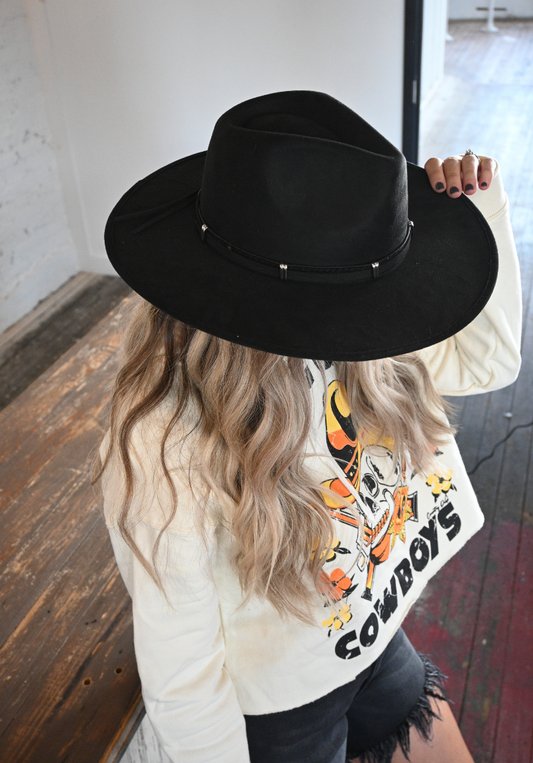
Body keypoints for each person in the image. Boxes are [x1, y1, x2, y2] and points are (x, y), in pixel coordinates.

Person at [95, 91, 522, 763]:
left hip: (368, 637)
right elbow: (181, 665)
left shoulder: (366, 334)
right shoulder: (165, 438)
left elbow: (488, 361)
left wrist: (483, 212)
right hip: (280, 703)